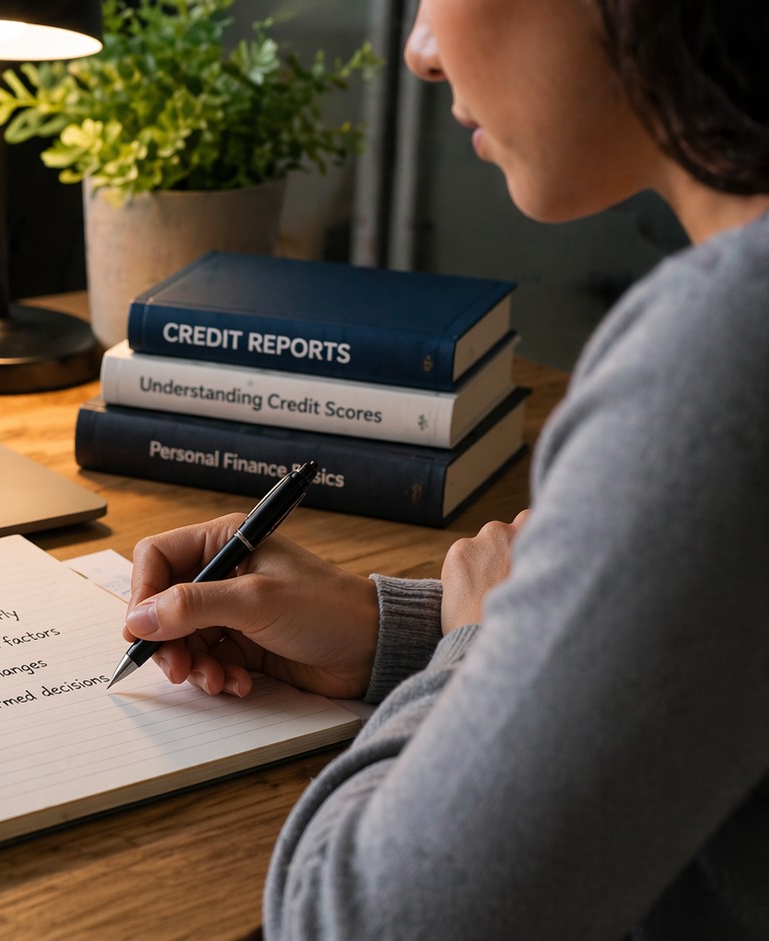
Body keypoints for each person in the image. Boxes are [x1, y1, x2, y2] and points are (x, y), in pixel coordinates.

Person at [121, 0, 769, 936]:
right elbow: (707, 662)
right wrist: (399, 631)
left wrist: (468, 658)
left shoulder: (721, 360)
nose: (420, 52)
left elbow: (353, 923)